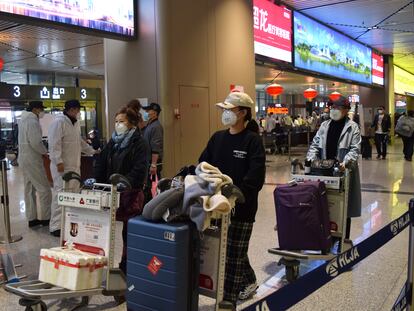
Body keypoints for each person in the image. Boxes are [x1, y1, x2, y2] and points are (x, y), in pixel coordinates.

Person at [199, 92, 266, 309]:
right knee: (229, 248)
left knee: (234, 253)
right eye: (224, 110)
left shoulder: (253, 141)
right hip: (216, 205)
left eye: (230, 109)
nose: (225, 113)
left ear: (243, 113)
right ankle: (250, 280)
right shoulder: (217, 138)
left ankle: (229, 299)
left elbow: (256, 176)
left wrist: (238, 192)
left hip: (242, 207)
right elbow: (203, 164)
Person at [94, 107, 149, 274]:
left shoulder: (139, 143)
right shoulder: (113, 142)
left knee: (127, 234)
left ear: (131, 124)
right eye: (116, 121)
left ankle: (126, 268)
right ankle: (107, 265)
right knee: (110, 232)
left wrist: (125, 183)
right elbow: (102, 163)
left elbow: (140, 169)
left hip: (130, 196)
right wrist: (98, 182)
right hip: (112, 195)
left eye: (122, 121)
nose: (118, 124)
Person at [307, 96, 361, 237]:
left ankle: (343, 239)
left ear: (346, 110)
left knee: (344, 209)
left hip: (343, 172)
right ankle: (326, 240)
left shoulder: (352, 127)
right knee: (326, 206)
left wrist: (346, 163)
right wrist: (311, 159)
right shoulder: (325, 125)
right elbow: (315, 145)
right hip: (325, 171)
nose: (334, 110)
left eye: (338, 108)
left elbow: (355, 149)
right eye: (333, 108)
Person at [48, 99, 96, 237]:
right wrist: (58, 161)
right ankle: (55, 226)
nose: (78, 112)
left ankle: (69, 221)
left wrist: (92, 151)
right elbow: (54, 144)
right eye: (77, 110)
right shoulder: (59, 122)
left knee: (73, 194)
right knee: (60, 194)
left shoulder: (74, 124)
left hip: (75, 165)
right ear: (71, 110)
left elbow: (79, 142)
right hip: (62, 167)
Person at [18, 101, 52, 228]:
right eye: (41, 110)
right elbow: (36, 142)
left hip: (24, 158)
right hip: (32, 159)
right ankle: (46, 218)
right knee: (44, 189)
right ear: (36, 109)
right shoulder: (32, 121)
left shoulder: (23, 119)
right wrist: (45, 152)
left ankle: (31, 219)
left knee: (29, 189)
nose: (42, 112)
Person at [142, 102, 164, 178]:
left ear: (155, 113)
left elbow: (156, 147)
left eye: (148, 111)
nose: (146, 113)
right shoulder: (150, 125)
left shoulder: (156, 127)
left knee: (154, 185)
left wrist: (154, 164)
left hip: (153, 163)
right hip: (148, 161)